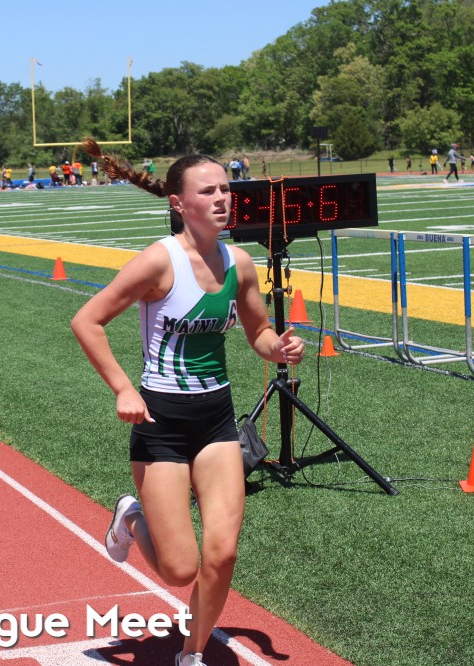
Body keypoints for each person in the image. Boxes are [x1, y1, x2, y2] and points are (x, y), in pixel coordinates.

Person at [72, 137, 305, 666]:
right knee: (179, 569)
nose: (222, 198)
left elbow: (259, 332)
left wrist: (279, 349)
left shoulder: (239, 262)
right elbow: (87, 321)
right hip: (163, 424)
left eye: (226, 188)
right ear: (179, 203)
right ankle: (131, 516)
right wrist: (123, 388)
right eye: (208, 191)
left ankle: (191, 655)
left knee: (222, 554)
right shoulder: (159, 262)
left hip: (217, 420)